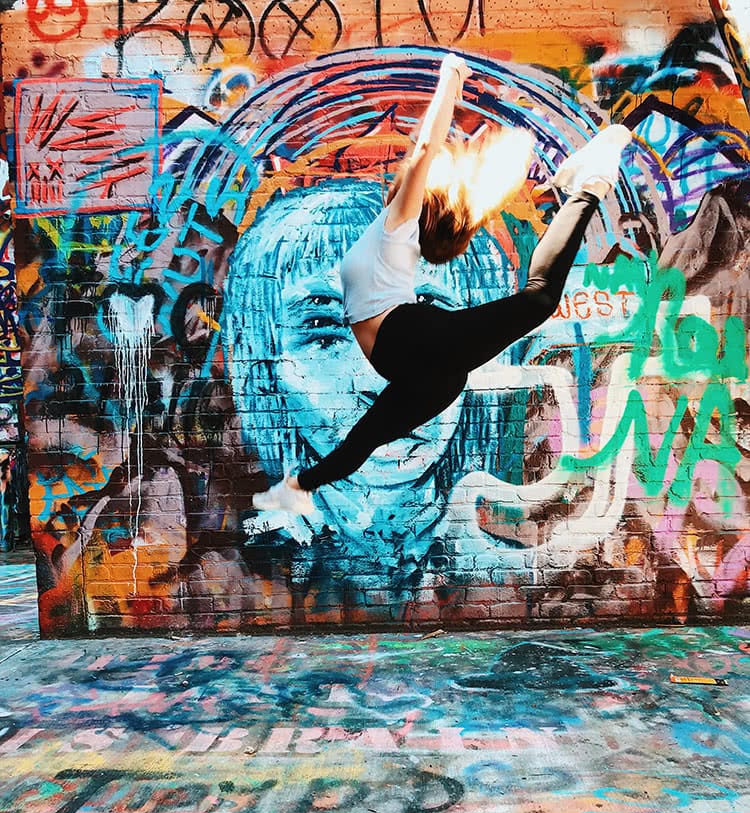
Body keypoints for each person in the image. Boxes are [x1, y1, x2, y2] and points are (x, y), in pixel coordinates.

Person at [252, 52, 632, 516]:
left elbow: (422, 150)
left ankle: (589, 184)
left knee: (539, 298)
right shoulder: (393, 235)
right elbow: (419, 162)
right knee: (360, 444)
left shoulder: (395, 227)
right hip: (422, 370)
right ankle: (298, 488)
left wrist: (450, 77)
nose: (406, 184)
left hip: (413, 346)